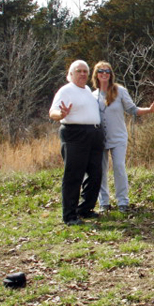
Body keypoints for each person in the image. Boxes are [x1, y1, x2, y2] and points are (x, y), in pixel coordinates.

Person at [91, 61, 154, 213]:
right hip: (99, 139)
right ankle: (104, 202)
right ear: (96, 75)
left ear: (111, 74)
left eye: (107, 71)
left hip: (118, 138)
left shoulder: (119, 91)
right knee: (100, 170)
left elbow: (133, 110)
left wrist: (150, 110)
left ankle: (122, 201)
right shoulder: (92, 96)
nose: (104, 74)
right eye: (101, 71)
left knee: (119, 167)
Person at [49, 60, 104, 225]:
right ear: (71, 74)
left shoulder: (87, 89)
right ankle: (70, 215)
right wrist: (61, 113)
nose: (82, 74)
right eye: (78, 71)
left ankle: (85, 209)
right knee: (74, 176)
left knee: (95, 174)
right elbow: (53, 112)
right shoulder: (66, 90)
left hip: (94, 135)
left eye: (85, 71)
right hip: (75, 134)